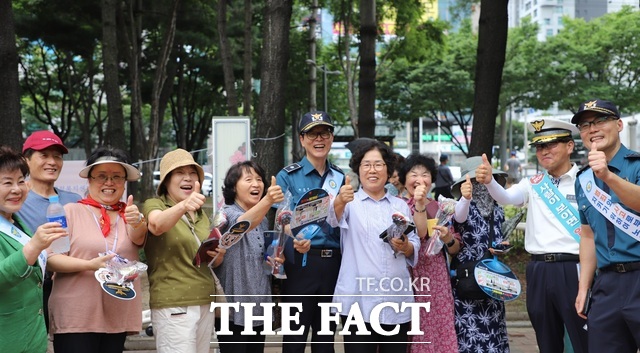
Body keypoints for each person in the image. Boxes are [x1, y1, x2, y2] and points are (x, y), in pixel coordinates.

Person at [475, 118, 588, 353]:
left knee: (583, 338)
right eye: (539, 147)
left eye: (551, 145)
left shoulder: (586, 181)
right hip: (538, 270)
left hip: (574, 268)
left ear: (570, 146)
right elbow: (506, 198)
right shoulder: (533, 183)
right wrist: (489, 182)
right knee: (547, 339)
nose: (544, 151)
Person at [47, 146, 147, 353]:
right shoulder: (69, 212)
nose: (109, 183)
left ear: (124, 182)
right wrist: (89, 265)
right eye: (101, 176)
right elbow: (51, 258)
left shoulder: (129, 215)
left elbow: (139, 239)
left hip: (116, 312)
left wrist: (137, 222)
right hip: (76, 316)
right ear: (90, 180)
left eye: (117, 177)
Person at [327, 139, 421, 352]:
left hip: (395, 300)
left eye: (378, 164)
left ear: (388, 170)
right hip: (357, 302)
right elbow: (333, 218)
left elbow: (414, 243)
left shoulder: (401, 206)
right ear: (358, 170)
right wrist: (340, 200)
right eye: (366, 164)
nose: (372, 170)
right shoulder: (350, 203)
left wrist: (406, 246)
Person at [572, 99, 640, 352]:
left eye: (601, 121)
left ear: (619, 125)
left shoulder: (637, 165)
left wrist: (608, 176)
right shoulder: (584, 180)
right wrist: (583, 288)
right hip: (607, 284)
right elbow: (588, 236)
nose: (593, 129)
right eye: (585, 125)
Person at [275, 111, 345, 353]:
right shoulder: (288, 175)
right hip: (301, 263)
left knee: (325, 341)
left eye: (324, 133)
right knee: (294, 340)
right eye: (312, 133)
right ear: (302, 139)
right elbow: (282, 217)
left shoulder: (340, 176)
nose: (319, 138)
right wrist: (297, 236)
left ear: (331, 137)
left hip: (333, 265)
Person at [143, 148, 225, 353]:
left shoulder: (201, 214)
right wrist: (183, 206)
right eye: (179, 172)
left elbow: (209, 260)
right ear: (166, 180)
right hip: (173, 304)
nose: (187, 178)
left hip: (205, 302)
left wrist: (219, 255)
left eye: (192, 172)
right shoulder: (155, 204)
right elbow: (156, 225)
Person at [0, 146, 67, 352]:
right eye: (7, 183)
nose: (17, 189)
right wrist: (34, 247)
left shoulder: (18, 223)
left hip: (32, 338)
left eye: (21, 181)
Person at [214, 161, 284, 353]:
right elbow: (241, 225)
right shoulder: (225, 215)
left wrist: (274, 260)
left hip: (258, 305)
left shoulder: (262, 219)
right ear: (233, 188)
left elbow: (259, 257)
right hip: (233, 310)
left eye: (259, 179)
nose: (256, 184)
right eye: (248, 179)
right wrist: (268, 200)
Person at [18, 130, 82, 331]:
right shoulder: (15, 199)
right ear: (26, 160)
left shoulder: (74, 200)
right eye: (44, 155)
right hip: (26, 287)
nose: (52, 162)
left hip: (68, 285)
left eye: (57, 156)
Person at [398, 153, 459, 353]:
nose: (419, 179)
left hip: (435, 276)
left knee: (436, 325)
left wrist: (448, 238)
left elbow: (454, 248)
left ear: (432, 180)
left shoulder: (442, 207)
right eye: (413, 174)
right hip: (404, 274)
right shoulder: (395, 206)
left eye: (424, 174)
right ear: (404, 179)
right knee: (405, 327)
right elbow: (421, 233)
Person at [451, 156, 510, 352]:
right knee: (468, 335)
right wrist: (465, 198)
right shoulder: (461, 206)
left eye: (484, 180)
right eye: (476, 181)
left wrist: (501, 247)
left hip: (492, 280)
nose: (480, 186)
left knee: (494, 332)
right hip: (467, 279)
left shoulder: (497, 209)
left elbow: (499, 237)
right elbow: (459, 216)